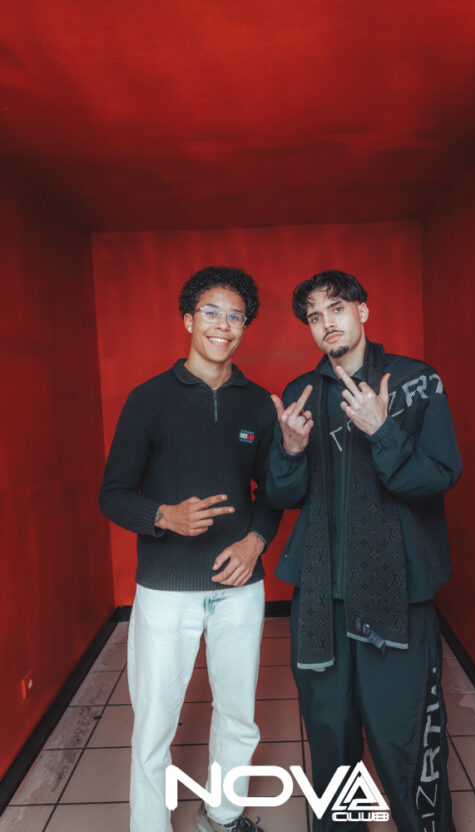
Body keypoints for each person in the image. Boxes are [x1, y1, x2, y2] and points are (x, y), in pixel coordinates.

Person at [266, 270, 462, 832]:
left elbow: (440, 476)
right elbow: (283, 495)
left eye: (336, 309)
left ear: (363, 312)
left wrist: (382, 431)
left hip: (396, 596)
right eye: (314, 316)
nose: (326, 323)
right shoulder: (303, 393)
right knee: (330, 738)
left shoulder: (417, 381)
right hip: (322, 597)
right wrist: (290, 451)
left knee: (404, 738)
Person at [100, 266, 281, 832]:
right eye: (211, 312)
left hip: (239, 587)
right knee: (155, 725)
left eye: (235, 316)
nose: (223, 325)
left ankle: (222, 817)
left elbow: (274, 492)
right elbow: (112, 495)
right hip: (166, 588)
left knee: (239, 717)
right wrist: (163, 516)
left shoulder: (258, 404)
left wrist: (255, 541)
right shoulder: (148, 400)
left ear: (245, 327)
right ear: (188, 320)